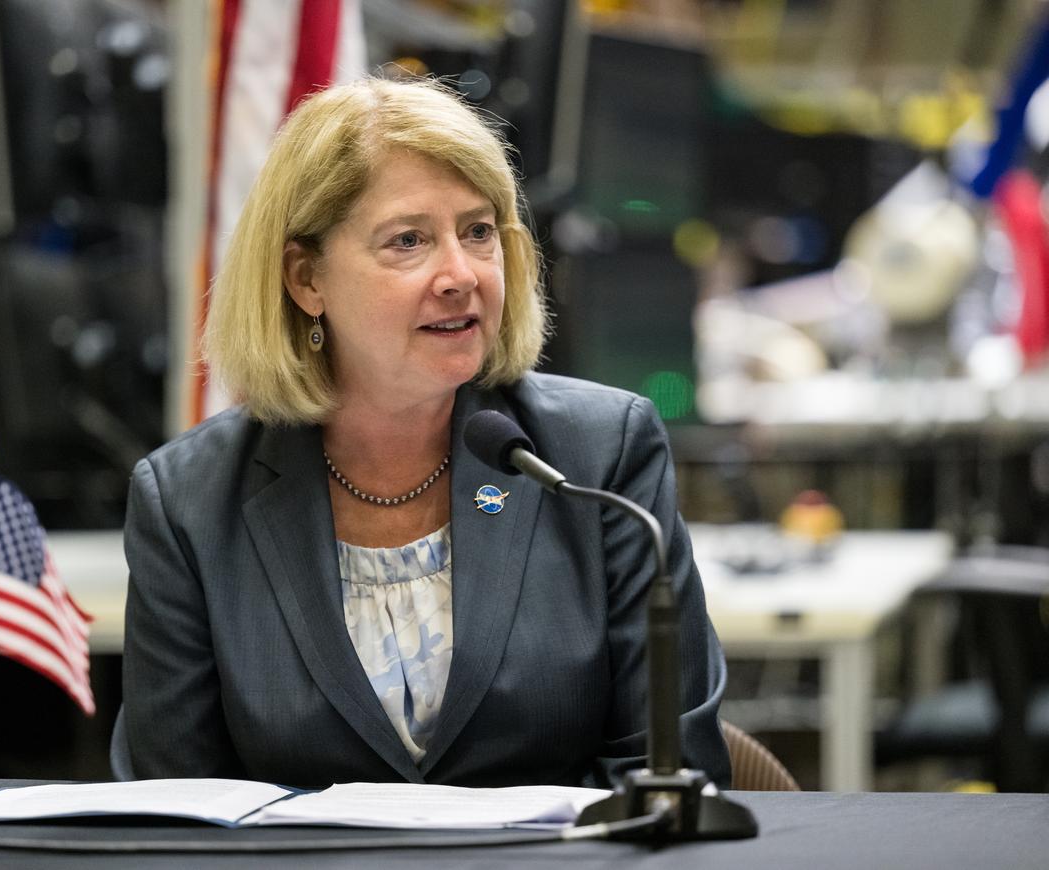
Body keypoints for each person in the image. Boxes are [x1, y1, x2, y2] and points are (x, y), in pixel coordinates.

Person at [113, 76, 731, 790]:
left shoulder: (602, 453)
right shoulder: (188, 501)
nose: (460, 274)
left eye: (478, 232)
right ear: (306, 279)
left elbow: (669, 773)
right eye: (408, 240)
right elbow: (178, 807)